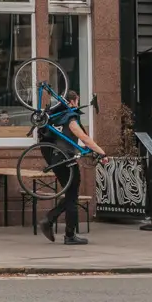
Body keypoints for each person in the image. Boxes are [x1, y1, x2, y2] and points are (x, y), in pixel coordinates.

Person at [38, 91, 107, 245]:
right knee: (72, 196)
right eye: (77, 100)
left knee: (70, 194)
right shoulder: (69, 118)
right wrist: (102, 153)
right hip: (66, 160)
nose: (78, 103)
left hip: (57, 159)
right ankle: (69, 234)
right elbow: (84, 138)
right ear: (73, 101)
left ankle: (49, 220)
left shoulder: (56, 119)